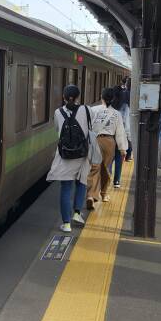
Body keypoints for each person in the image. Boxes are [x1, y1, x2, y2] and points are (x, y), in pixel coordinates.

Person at [47, 85, 91, 232]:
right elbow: (91, 128)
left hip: (65, 155)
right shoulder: (86, 110)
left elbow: (57, 130)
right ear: (78, 97)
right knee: (81, 182)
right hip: (82, 154)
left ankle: (66, 224)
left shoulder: (57, 112)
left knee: (66, 188)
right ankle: (77, 214)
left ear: (64, 97)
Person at [87, 87, 129, 209]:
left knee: (93, 168)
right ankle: (104, 194)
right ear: (113, 99)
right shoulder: (116, 114)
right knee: (105, 168)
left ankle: (90, 195)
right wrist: (122, 149)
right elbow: (120, 132)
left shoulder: (93, 110)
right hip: (109, 142)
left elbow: (87, 126)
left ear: (102, 97)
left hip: (94, 140)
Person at [113, 83, 132, 188]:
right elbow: (127, 125)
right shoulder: (125, 107)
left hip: (110, 137)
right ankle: (116, 181)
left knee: (109, 160)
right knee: (119, 159)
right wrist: (129, 138)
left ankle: (106, 179)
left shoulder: (110, 106)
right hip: (122, 136)